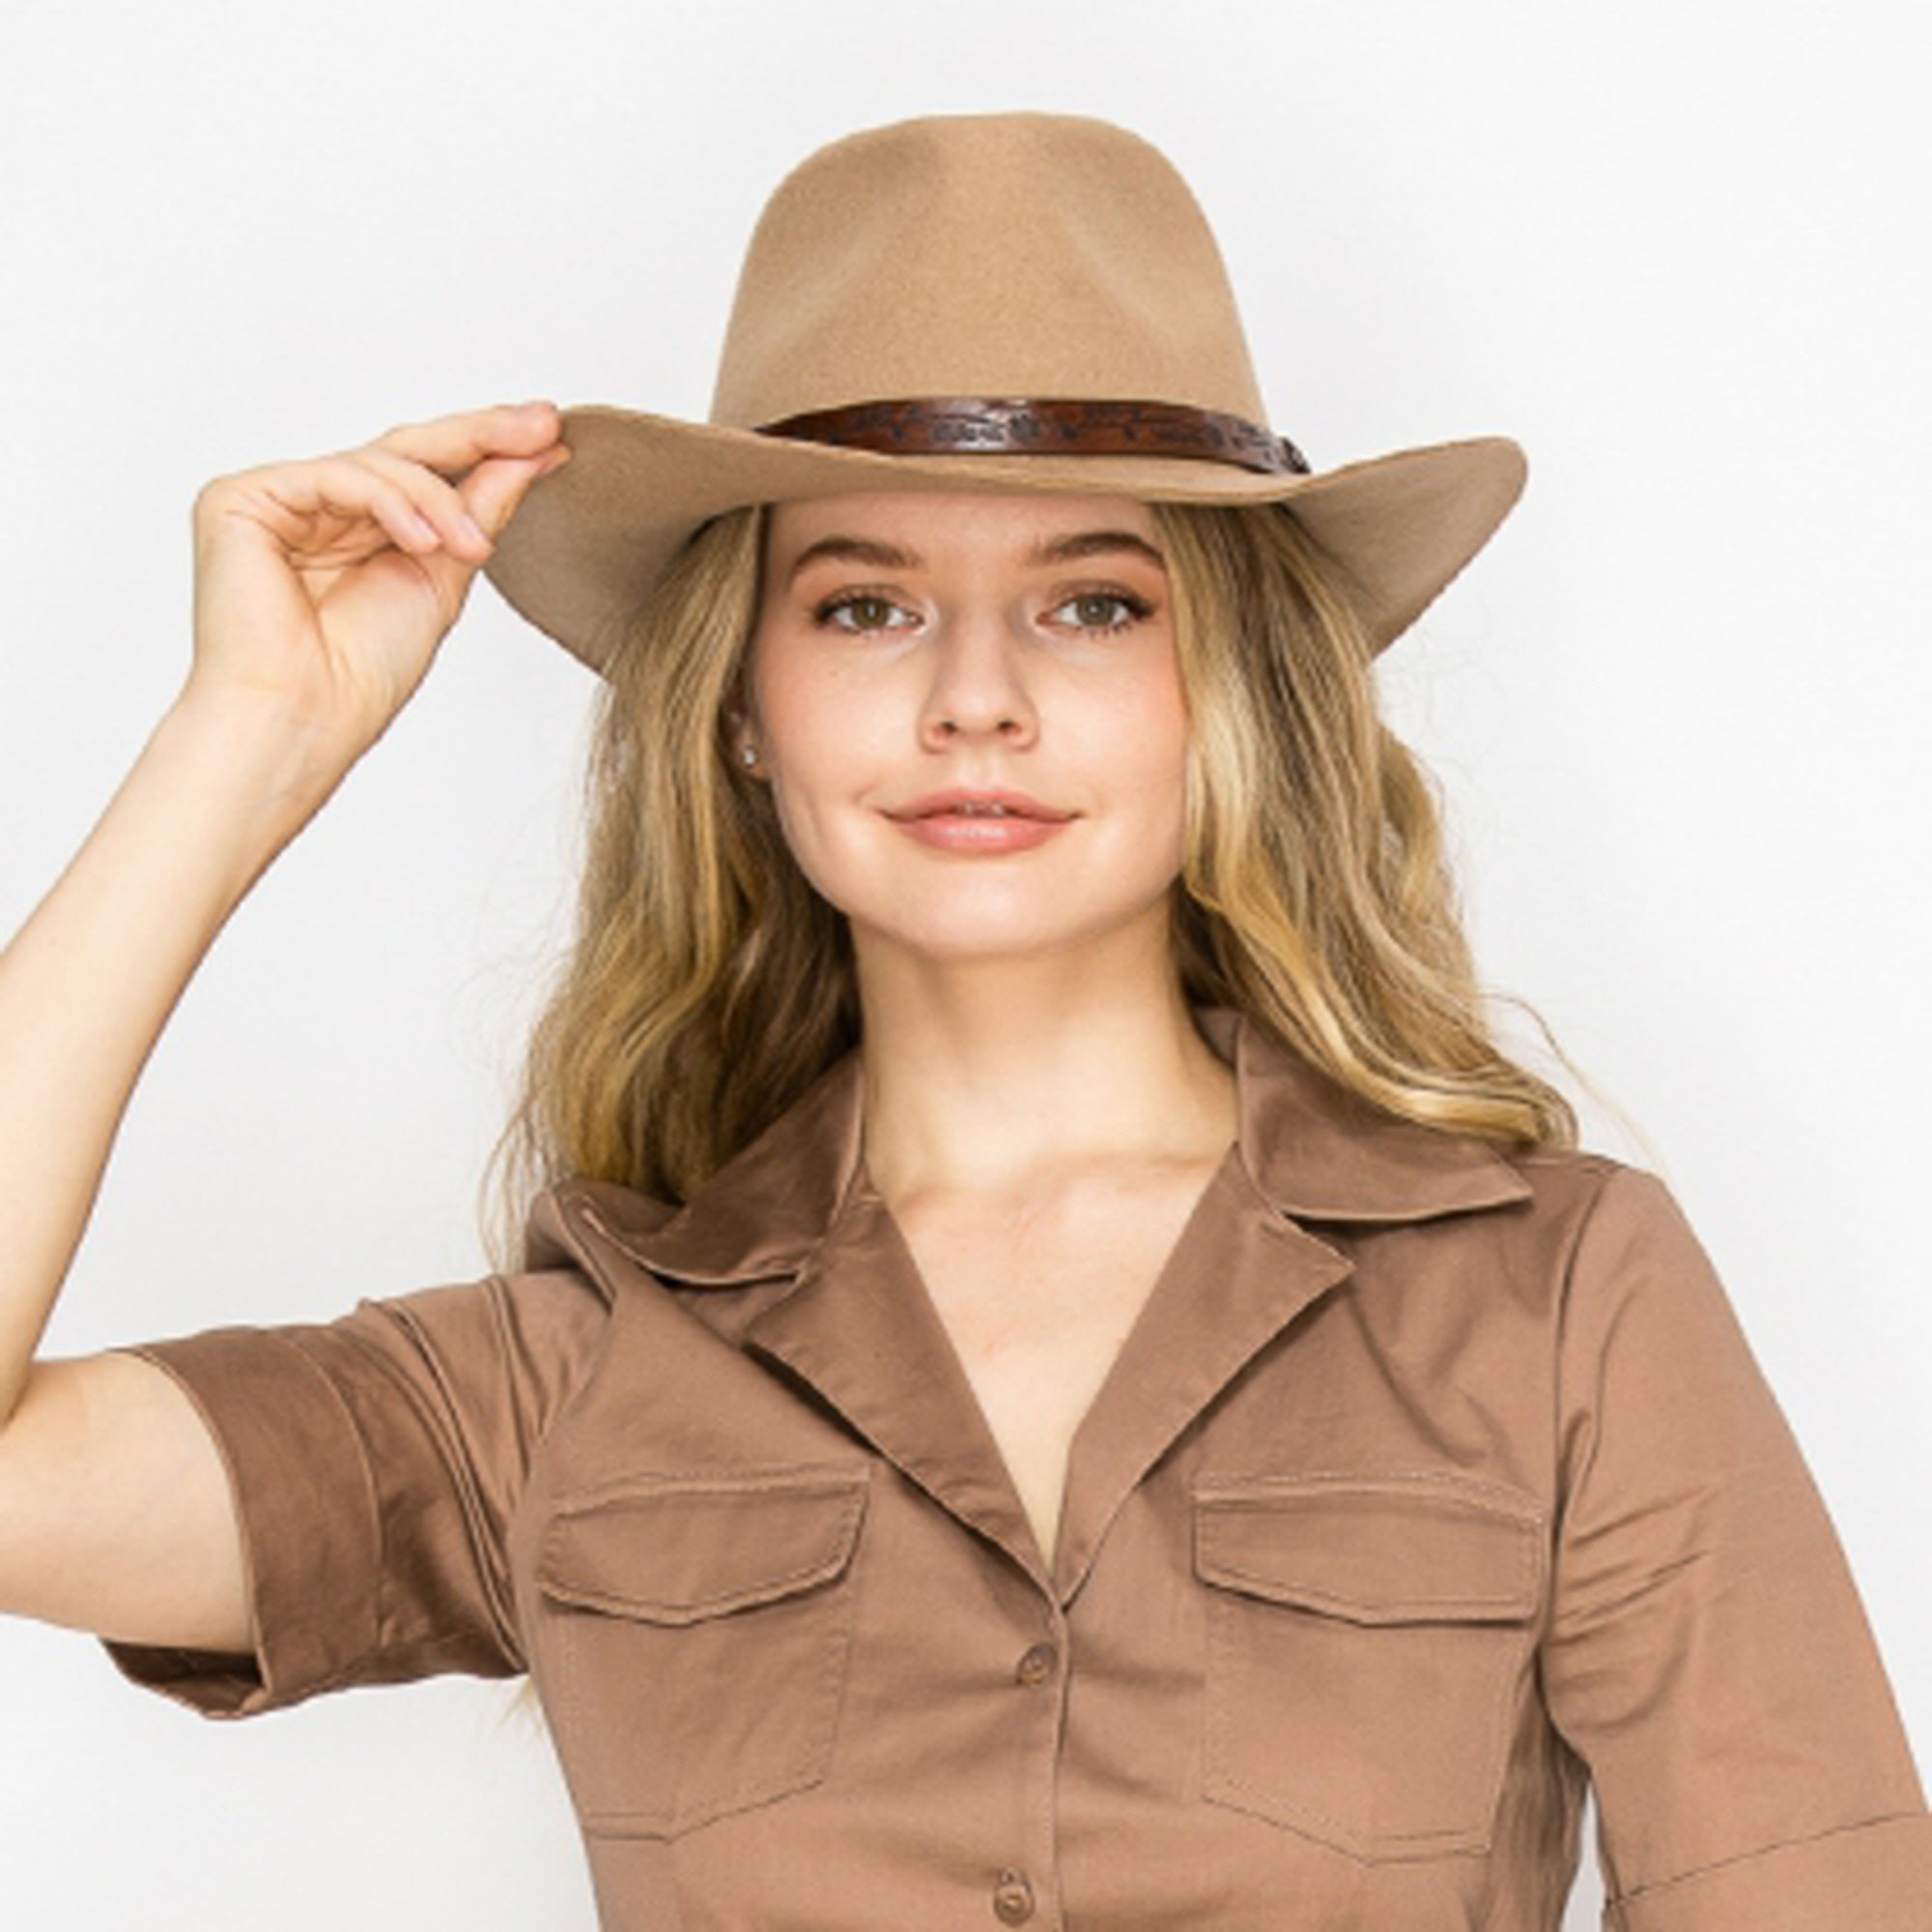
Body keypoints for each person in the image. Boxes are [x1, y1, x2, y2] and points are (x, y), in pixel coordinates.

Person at [1, 108, 1927, 1931]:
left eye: (1094, 605)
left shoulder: (1556, 1292)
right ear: (743, 708)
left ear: (1226, 693)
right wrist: (244, 740)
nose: (976, 701)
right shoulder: (572, 1379)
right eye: (864, 608)